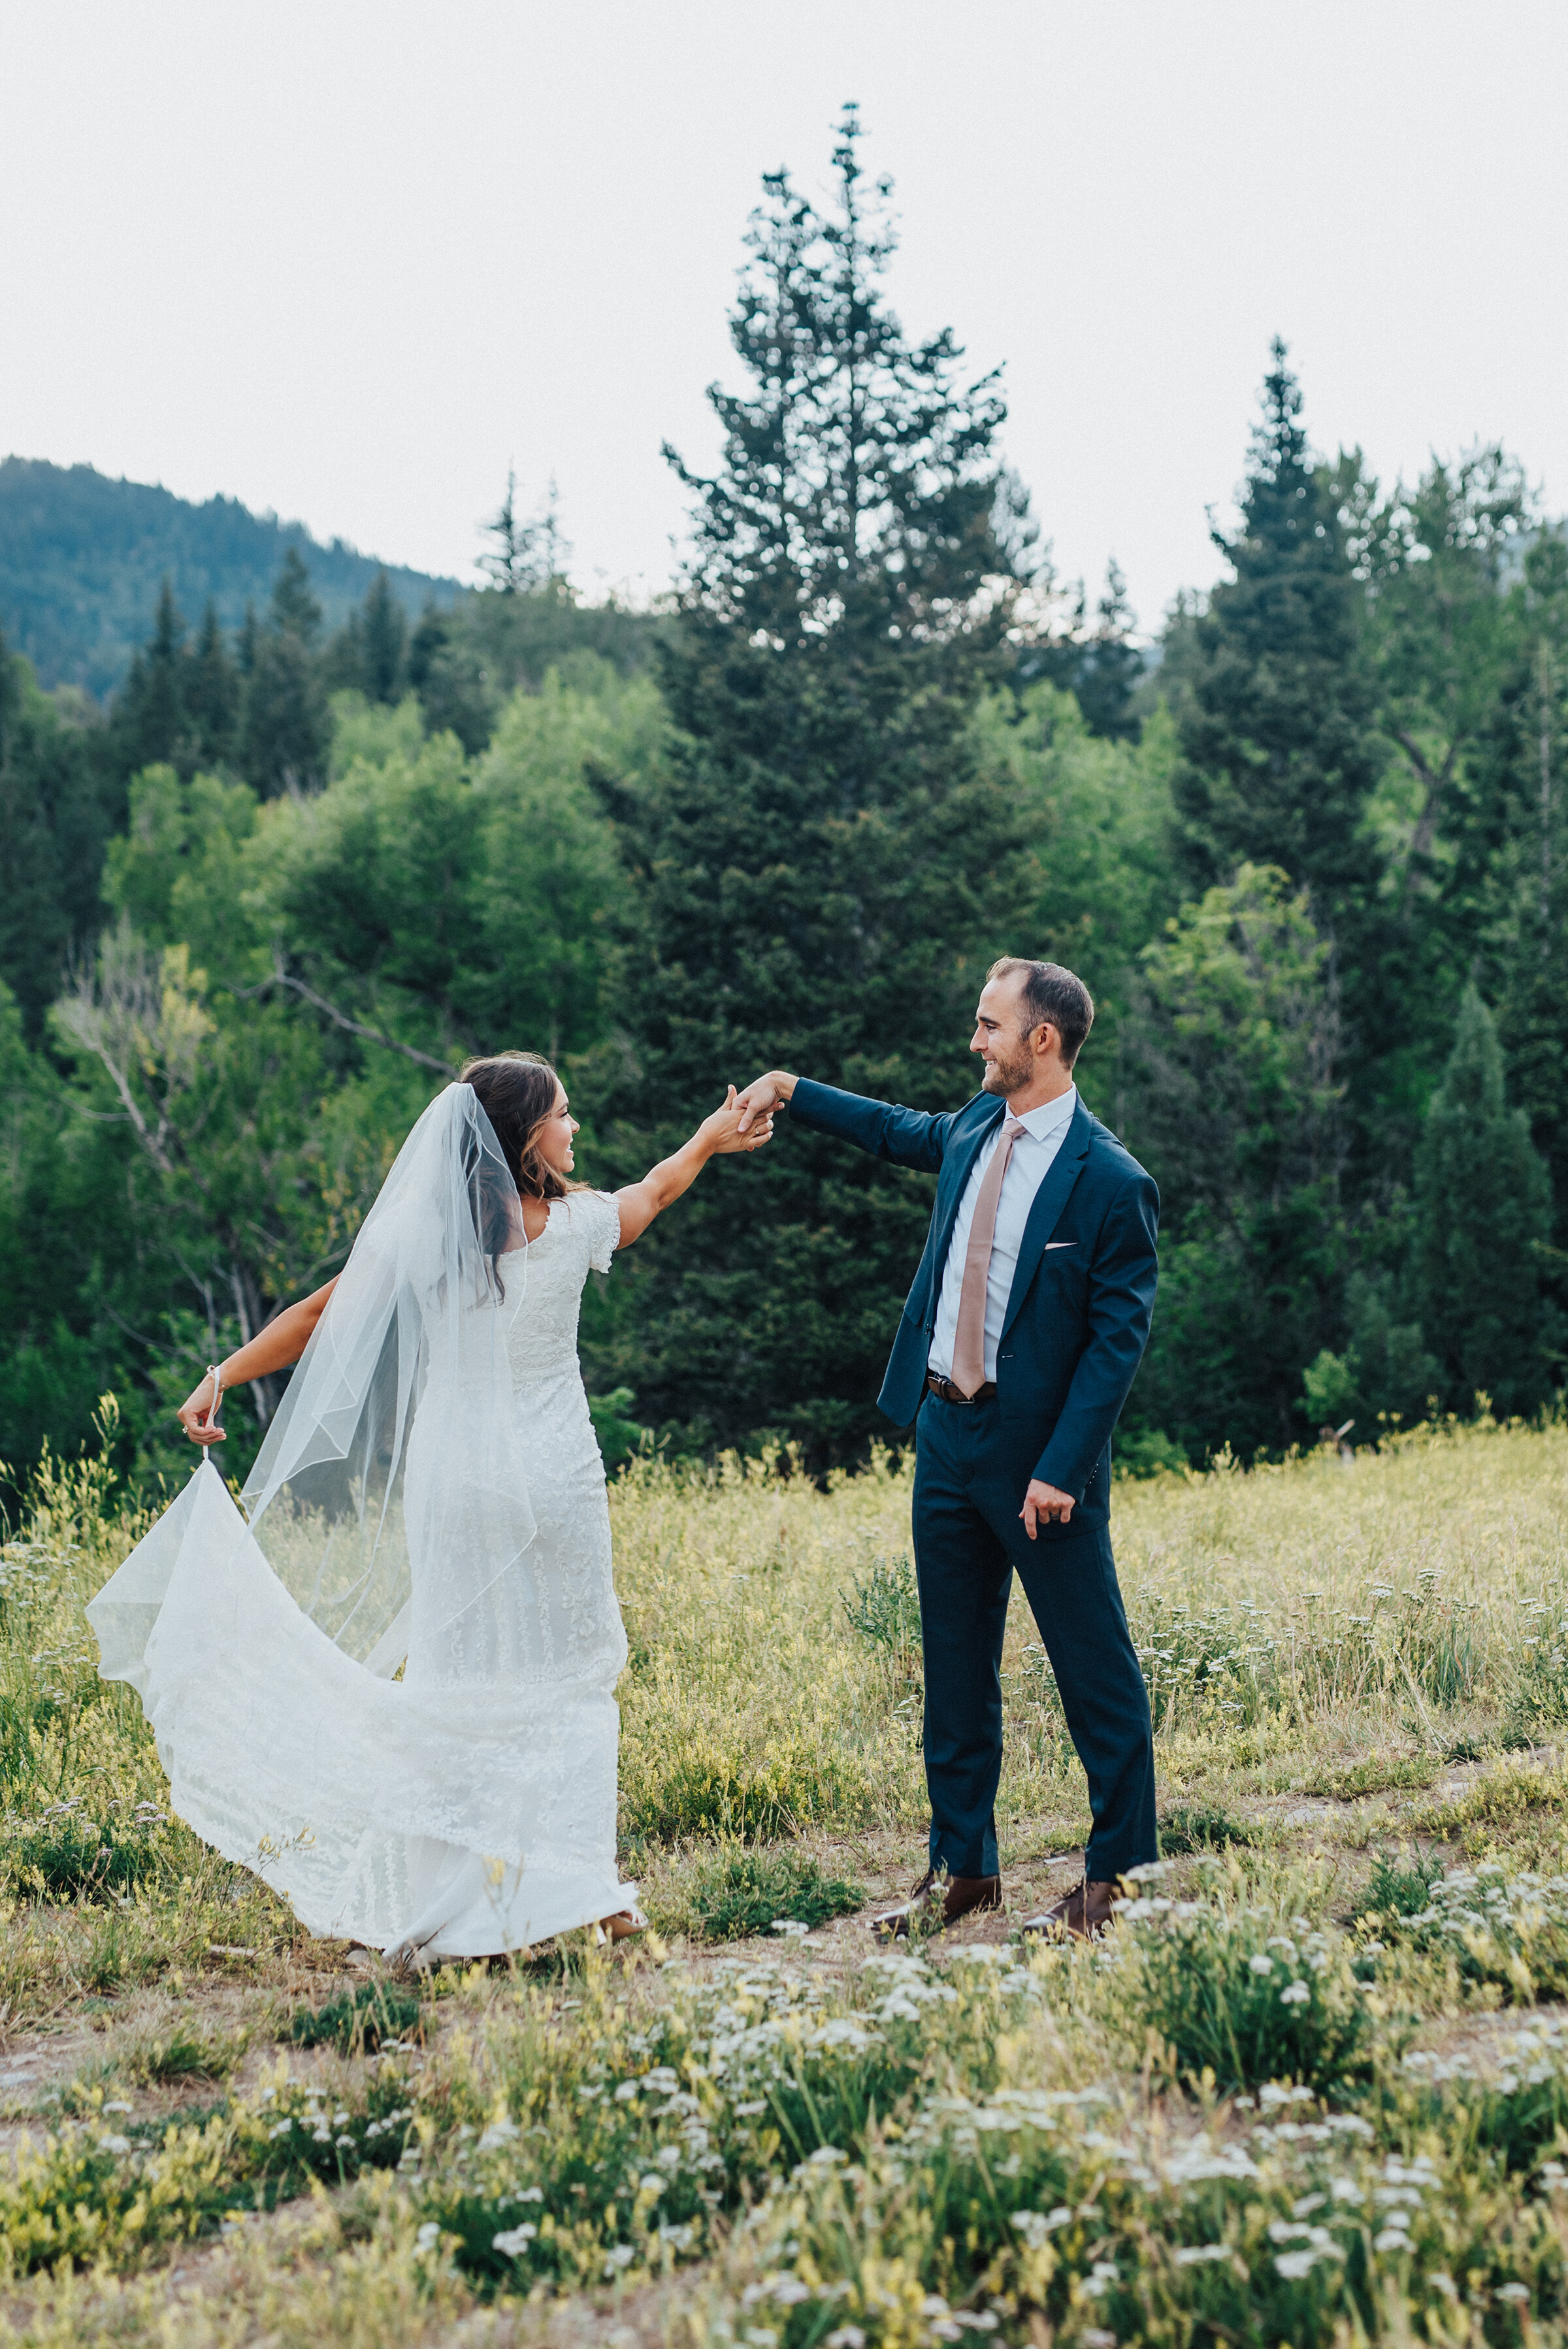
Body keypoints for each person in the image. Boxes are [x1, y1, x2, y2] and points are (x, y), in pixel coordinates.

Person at [88, 1054, 772, 1963]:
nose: (575, 1128)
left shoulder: (427, 1238)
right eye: (564, 1115)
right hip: (553, 1478)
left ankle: (456, 1902)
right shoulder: (572, 1226)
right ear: (526, 1136)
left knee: (457, 1676)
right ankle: (584, 1890)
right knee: (568, 1673)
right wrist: (712, 1139)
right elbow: (656, 1191)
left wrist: (221, 1375)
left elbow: (317, 1315)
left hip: (453, 1484)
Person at [734, 958, 1159, 1939]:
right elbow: (894, 1130)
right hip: (945, 1435)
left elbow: (1116, 1341)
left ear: (1039, 1041)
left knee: (1095, 1669)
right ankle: (964, 1871)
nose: (975, 1042)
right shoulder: (973, 1126)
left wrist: (1063, 1467)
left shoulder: (1111, 1181)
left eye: (988, 1026)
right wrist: (793, 1090)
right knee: (955, 1666)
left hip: (1038, 1462)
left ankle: (1116, 1881)